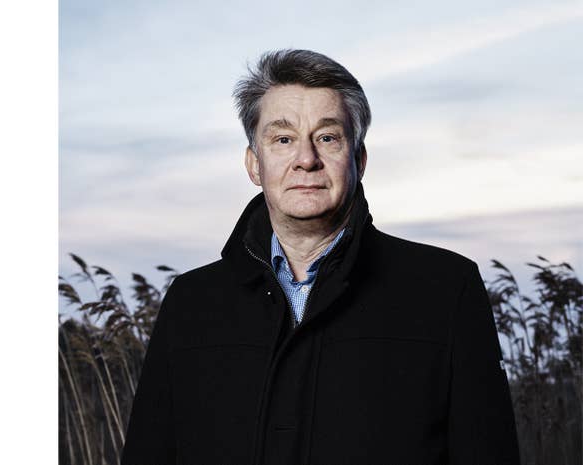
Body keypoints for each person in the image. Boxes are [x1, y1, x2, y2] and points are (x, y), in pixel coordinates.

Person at [119, 50, 519, 464]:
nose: (306, 160)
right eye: (283, 139)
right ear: (254, 164)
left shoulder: (446, 290)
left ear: (359, 159)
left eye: (327, 138)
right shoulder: (190, 303)